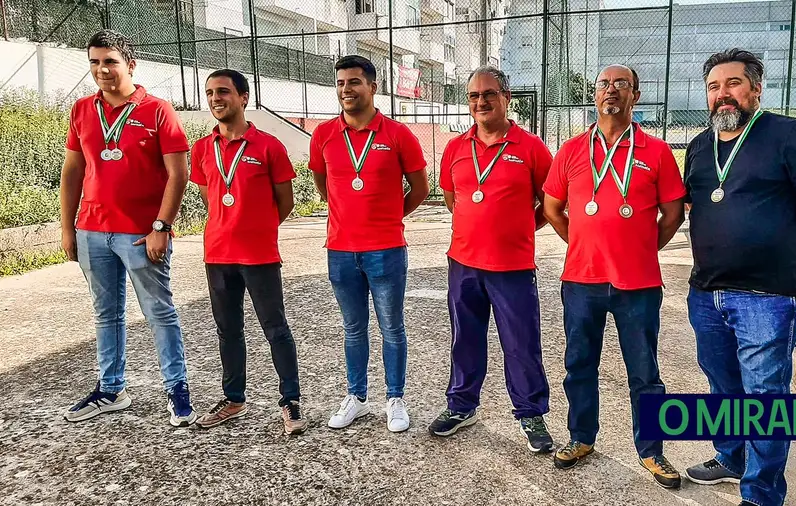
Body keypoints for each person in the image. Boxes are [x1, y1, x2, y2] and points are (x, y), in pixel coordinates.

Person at [682, 49, 796, 506]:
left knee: (765, 397)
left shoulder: (789, 134)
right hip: (707, 291)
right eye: (714, 87)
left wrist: (781, 230)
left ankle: (761, 493)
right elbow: (698, 205)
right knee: (722, 384)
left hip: (767, 296)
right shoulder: (699, 146)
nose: (722, 95)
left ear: (755, 88)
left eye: (733, 84)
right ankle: (731, 458)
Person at [543, 65, 686, 487]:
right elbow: (552, 208)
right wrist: (583, 244)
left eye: (621, 84)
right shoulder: (570, 150)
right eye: (604, 84)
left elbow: (673, 214)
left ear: (635, 95)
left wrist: (639, 249)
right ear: (594, 94)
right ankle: (581, 437)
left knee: (644, 371)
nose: (611, 90)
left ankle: (652, 451)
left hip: (637, 284)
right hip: (581, 280)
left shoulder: (656, 151)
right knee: (579, 363)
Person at [60, 29, 196, 427]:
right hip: (92, 231)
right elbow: (73, 170)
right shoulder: (82, 109)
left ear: (130, 65)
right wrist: (68, 228)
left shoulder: (157, 109)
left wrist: (161, 225)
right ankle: (111, 389)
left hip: (140, 233)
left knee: (159, 312)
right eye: (95, 62)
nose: (102, 70)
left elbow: (179, 173)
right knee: (106, 314)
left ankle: (177, 389)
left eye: (110, 62)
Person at [427, 65, 554, 453]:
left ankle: (530, 413)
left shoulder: (531, 147)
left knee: (521, 343)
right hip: (463, 263)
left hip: (512, 267)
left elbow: (548, 205)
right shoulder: (454, 148)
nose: (480, 102)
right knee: (465, 339)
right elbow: (454, 200)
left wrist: (516, 230)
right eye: (473, 96)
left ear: (506, 98)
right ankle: (462, 406)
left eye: (489, 94)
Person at [308, 55, 430, 433]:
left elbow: (421, 188)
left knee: (392, 327)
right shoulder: (324, 134)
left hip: (386, 249)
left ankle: (395, 398)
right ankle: (357, 398)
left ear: (372, 87)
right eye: (341, 82)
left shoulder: (397, 134)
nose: (347, 89)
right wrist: (346, 215)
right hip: (341, 251)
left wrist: (390, 217)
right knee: (352, 327)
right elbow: (322, 184)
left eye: (354, 82)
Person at [188, 69, 308, 435]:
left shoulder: (269, 146)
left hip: (259, 255)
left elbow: (283, 202)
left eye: (223, 91)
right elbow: (211, 194)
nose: (215, 99)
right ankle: (234, 398)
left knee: (276, 329)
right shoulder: (202, 148)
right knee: (228, 329)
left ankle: (290, 401)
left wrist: (256, 228)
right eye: (209, 93)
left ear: (243, 97)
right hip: (217, 254)